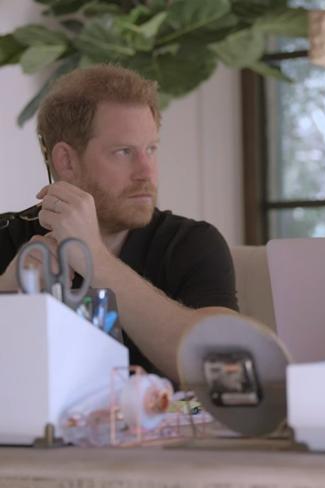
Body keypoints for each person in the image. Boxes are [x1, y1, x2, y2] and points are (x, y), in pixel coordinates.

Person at [0, 64, 238, 382]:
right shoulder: (7, 237)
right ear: (66, 161)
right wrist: (8, 291)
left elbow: (220, 368)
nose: (146, 172)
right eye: (124, 152)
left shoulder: (192, 243)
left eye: (151, 149)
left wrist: (95, 259)